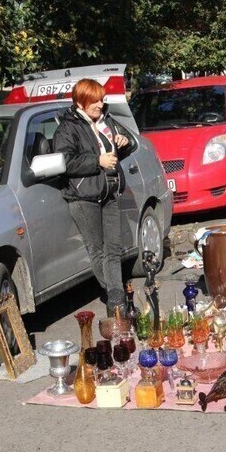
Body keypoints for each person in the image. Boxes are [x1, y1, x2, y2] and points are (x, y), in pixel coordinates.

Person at [52, 78, 133, 316]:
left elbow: (125, 147)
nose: (99, 105)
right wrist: (97, 161)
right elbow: (65, 161)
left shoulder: (107, 121)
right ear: (80, 101)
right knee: (97, 249)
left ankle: (117, 298)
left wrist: (123, 142)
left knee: (114, 247)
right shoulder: (67, 128)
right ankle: (115, 297)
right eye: (94, 101)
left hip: (109, 191)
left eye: (101, 100)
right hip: (84, 196)